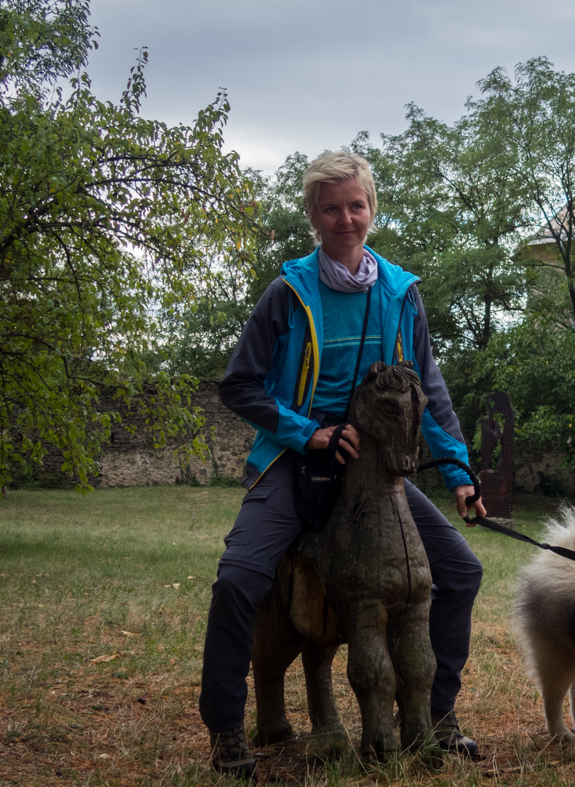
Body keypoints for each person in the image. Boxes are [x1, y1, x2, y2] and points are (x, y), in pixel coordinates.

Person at [200, 150, 486, 777]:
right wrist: (311, 434)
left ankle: (436, 721)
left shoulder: (401, 293)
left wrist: (460, 475)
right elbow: (239, 385)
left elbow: (426, 392)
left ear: (371, 210)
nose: (345, 219)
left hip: (375, 471)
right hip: (296, 460)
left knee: (461, 571)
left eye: (355, 206)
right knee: (237, 579)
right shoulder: (287, 293)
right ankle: (225, 729)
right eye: (330, 208)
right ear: (313, 216)